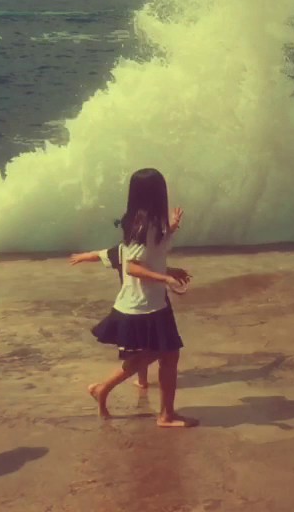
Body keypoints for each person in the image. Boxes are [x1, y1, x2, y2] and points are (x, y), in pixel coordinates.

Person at [69, 168, 195, 426]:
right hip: (144, 306)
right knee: (161, 355)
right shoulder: (144, 226)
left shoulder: (146, 223)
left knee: (163, 355)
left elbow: (150, 254)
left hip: (150, 303)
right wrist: (165, 279)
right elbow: (132, 266)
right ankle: (155, 411)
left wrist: (172, 230)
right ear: (156, 194)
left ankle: (160, 411)